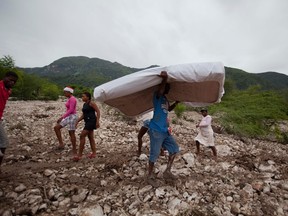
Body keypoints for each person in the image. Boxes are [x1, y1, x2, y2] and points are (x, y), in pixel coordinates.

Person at [147, 71, 179, 187]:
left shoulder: (165, 99)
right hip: (155, 130)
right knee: (154, 154)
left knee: (174, 149)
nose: (168, 89)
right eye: (167, 87)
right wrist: (164, 79)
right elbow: (160, 90)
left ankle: (168, 171)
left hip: (165, 131)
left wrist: (176, 103)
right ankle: (150, 176)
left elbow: (168, 109)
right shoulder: (158, 95)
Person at [73, 92, 100, 161]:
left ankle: (79, 155)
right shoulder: (85, 104)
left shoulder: (92, 103)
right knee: (90, 137)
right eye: (82, 96)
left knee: (82, 136)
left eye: (83, 96)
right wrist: (77, 121)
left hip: (91, 121)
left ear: (88, 97)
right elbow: (83, 115)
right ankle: (94, 153)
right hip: (87, 121)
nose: (82, 98)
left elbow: (98, 111)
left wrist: (97, 121)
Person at [0, 71, 18, 173]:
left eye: (14, 81)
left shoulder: (8, 90)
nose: (12, 82)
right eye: (10, 80)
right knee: (3, 142)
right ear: (5, 77)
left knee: (3, 143)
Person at [54, 87, 78, 156]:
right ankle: (61, 144)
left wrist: (62, 117)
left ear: (69, 92)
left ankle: (74, 149)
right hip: (68, 116)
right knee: (56, 128)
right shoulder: (69, 99)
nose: (64, 93)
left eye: (65, 92)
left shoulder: (72, 99)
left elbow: (71, 110)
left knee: (71, 133)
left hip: (73, 116)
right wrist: (64, 116)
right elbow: (68, 110)